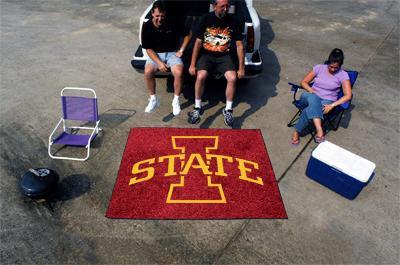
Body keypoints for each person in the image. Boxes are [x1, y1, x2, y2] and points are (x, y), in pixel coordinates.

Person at [187, 0, 245, 127]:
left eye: (227, 6)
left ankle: (228, 110)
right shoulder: (205, 19)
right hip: (206, 55)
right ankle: (197, 108)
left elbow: (240, 45)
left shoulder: (233, 21)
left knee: (232, 77)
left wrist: (241, 68)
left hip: (225, 56)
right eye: (222, 6)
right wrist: (192, 64)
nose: (225, 9)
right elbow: (197, 43)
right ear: (214, 6)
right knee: (200, 76)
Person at [291, 48, 352, 145]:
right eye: (330, 66)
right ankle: (319, 129)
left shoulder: (343, 75)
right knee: (313, 98)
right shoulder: (319, 68)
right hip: (308, 96)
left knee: (309, 110)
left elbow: (348, 95)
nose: (332, 69)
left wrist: (332, 105)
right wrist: (311, 90)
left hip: (327, 101)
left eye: (335, 68)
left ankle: (296, 132)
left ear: (340, 66)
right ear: (328, 62)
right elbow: (304, 82)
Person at [141, 1, 192, 115]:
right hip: (155, 54)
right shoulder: (147, 26)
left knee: (178, 73)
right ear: (152, 14)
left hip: (172, 53)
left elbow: (188, 34)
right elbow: (148, 49)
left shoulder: (172, 22)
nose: (160, 18)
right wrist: (159, 63)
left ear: (165, 14)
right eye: (157, 15)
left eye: (162, 16)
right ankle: (153, 99)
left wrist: (181, 50)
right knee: (148, 72)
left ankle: (175, 101)